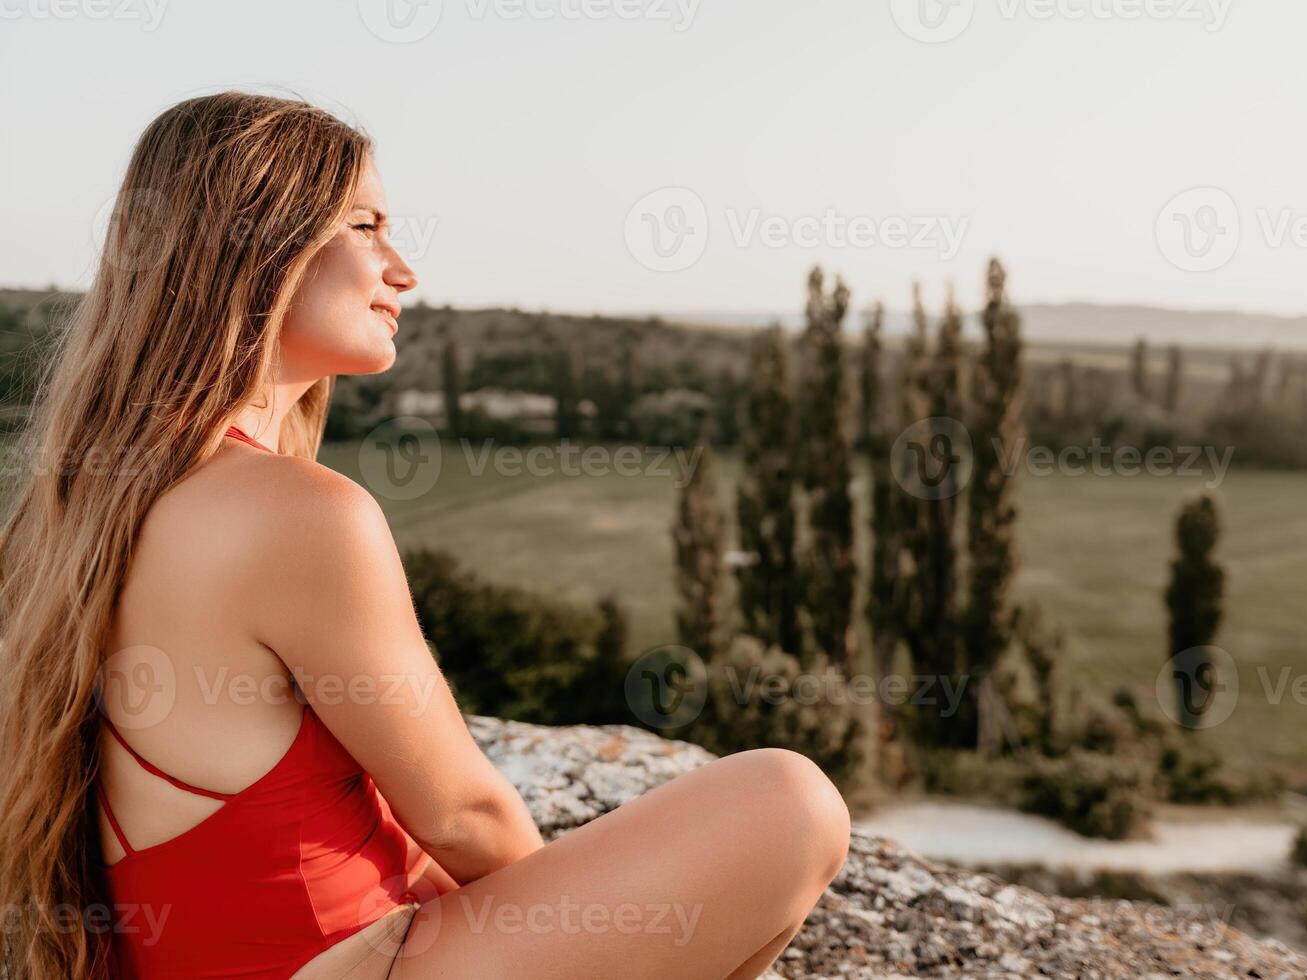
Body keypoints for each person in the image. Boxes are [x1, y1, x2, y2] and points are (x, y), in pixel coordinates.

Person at [0, 90, 850, 980]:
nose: (402, 271)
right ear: (257, 246)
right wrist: (582, 920)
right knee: (789, 802)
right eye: (364, 226)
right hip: (345, 966)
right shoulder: (294, 512)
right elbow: (465, 818)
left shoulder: (87, 514)